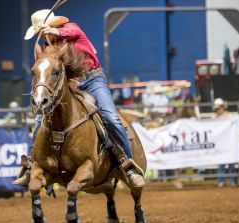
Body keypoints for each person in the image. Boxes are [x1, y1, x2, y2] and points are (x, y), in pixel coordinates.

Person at [14, 9, 145, 188]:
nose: (43, 36)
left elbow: (72, 32)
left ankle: (127, 165)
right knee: (39, 121)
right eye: (40, 33)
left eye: (43, 32)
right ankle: (31, 166)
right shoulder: (47, 48)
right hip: (69, 83)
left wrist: (56, 31)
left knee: (110, 117)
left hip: (93, 79)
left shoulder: (71, 29)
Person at [213, 98, 238, 187]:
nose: (217, 110)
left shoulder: (230, 116)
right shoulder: (215, 118)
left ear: (223, 107)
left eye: (218, 108)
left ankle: (233, 181)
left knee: (231, 163)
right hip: (221, 144)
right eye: (216, 109)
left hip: (230, 143)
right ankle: (221, 181)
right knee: (221, 163)